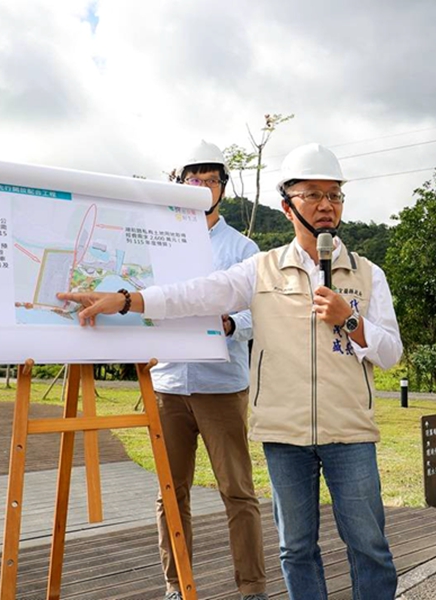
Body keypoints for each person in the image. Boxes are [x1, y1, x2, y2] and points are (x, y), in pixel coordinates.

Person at [58, 143, 402, 600]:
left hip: (351, 433)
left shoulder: (368, 273)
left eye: (335, 195)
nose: (326, 205)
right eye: (313, 195)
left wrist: (350, 320)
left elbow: (391, 352)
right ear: (287, 206)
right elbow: (197, 294)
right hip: (285, 434)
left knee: (369, 547)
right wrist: (126, 301)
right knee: (296, 549)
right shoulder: (259, 269)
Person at [155, 140, 266, 600]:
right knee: (169, 494)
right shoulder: (158, 240)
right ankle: (175, 585)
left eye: (210, 179)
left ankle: (252, 588)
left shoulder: (243, 247)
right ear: (180, 184)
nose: (201, 187)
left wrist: (228, 321)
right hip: (167, 382)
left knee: (237, 490)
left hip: (221, 385)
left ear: (223, 187)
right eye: (192, 179)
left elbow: (259, 313)